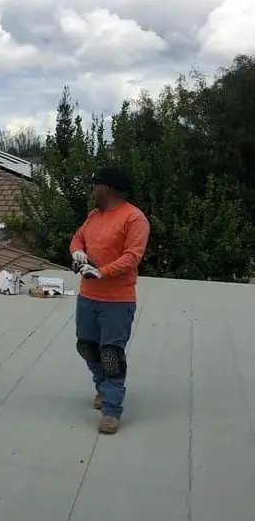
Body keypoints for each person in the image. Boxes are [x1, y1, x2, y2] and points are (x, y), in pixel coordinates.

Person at [70, 166, 150, 435]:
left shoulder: (134, 218)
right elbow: (78, 238)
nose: (92, 190)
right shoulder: (94, 216)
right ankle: (103, 386)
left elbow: (132, 257)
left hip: (117, 300)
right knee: (86, 346)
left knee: (111, 354)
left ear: (105, 188)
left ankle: (112, 410)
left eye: (94, 186)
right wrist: (78, 253)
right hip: (88, 297)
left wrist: (101, 272)